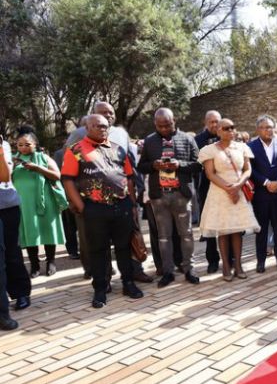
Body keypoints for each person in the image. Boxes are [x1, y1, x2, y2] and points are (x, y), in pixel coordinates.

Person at [66, 101, 154, 284]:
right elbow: (67, 169)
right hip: (93, 203)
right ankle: (102, 277)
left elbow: (129, 163)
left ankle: (134, 271)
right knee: (99, 243)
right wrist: (78, 203)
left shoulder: (121, 134)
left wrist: (133, 196)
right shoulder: (78, 135)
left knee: (130, 236)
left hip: (122, 200)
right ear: (90, 120)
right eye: (103, 113)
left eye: (111, 113)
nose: (108, 116)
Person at [137, 108, 200, 287]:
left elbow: (198, 165)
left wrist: (180, 164)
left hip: (181, 195)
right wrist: (153, 165)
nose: (164, 129)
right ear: (155, 124)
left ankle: (189, 269)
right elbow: (141, 167)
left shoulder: (187, 139)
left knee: (186, 234)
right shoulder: (149, 141)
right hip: (159, 196)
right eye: (160, 126)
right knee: (163, 236)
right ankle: (168, 272)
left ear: (174, 120)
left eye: (167, 125)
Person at [198, 119, 259, 281]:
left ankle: (238, 265)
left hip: (238, 192)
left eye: (233, 127)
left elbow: (248, 169)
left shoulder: (242, 147)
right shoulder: (209, 150)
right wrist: (228, 188)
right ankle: (225, 266)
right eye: (226, 128)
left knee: (237, 231)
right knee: (223, 231)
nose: (230, 131)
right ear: (218, 131)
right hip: (219, 193)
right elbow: (210, 174)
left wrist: (238, 186)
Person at [12, 130, 66, 278]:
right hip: (24, 203)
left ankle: (51, 262)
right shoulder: (13, 159)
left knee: (48, 229)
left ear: (35, 144)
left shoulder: (44, 157)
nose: (23, 147)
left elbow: (57, 175)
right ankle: (34, 264)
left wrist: (38, 168)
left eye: (27, 144)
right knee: (30, 233)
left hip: (46, 200)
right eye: (20, 145)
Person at [248, 116, 277, 273]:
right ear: (258, 130)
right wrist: (266, 182)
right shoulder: (251, 147)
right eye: (265, 127)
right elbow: (251, 170)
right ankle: (261, 261)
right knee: (262, 229)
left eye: (271, 127)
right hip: (261, 195)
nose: (269, 130)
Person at [0, 135, 27, 323]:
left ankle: (20, 293)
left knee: (11, 252)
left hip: (6, 207)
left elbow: (4, 175)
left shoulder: (3, 146)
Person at [194, 110, 224, 274]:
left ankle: (231, 258)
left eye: (217, 121)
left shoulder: (226, 137)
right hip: (206, 190)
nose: (214, 125)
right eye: (211, 122)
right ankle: (212, 260)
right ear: (206, 123)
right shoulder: (198, 140)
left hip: (226, 189)